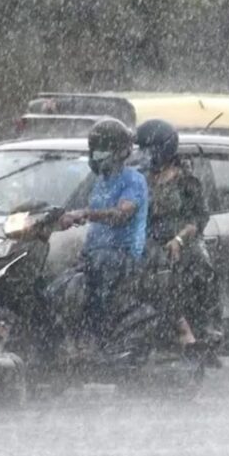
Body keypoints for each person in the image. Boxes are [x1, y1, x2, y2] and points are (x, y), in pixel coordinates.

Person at [134, 119, 222, 356]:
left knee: (202, 265)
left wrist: (179, 239)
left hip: (183, 240)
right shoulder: (140, 179)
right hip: (148, 241)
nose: (144, 155)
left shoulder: (186, 180)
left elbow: (199, 218)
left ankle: (208, 325)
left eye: (148, 149)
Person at [59, 117, 148, 348]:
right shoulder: (99, 181)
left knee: (93, 290)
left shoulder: (133, 180)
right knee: (60, 287)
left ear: (119, 151)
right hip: (94, 253)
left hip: (121, 255)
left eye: (102, 149)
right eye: (94, 150)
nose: (97, 155)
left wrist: (87, 214)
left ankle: (95, 338)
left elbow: (122, 213)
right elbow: (74, 207)